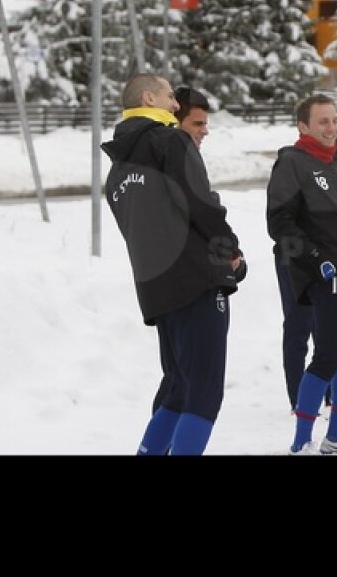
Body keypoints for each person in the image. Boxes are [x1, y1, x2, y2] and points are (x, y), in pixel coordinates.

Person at [101, 73, 245, 456]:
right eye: (168, 96)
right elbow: (201, 205)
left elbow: (133, 229)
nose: (176, 105)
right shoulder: (171, 140)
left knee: (180, 387)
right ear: (149, 98)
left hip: (155, 288)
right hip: (197, 279)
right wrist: (231, 249)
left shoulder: (116, 171)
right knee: (203, 391)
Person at [267, 94, 337, 455]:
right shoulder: (292, 162)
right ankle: (301, 442)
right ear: (304, 127)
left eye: (334, 121)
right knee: (328, 356)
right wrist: (317, 260)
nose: (332, 128)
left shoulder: (336, 164)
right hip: (327, 276)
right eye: (323, 122)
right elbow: (280, 223)